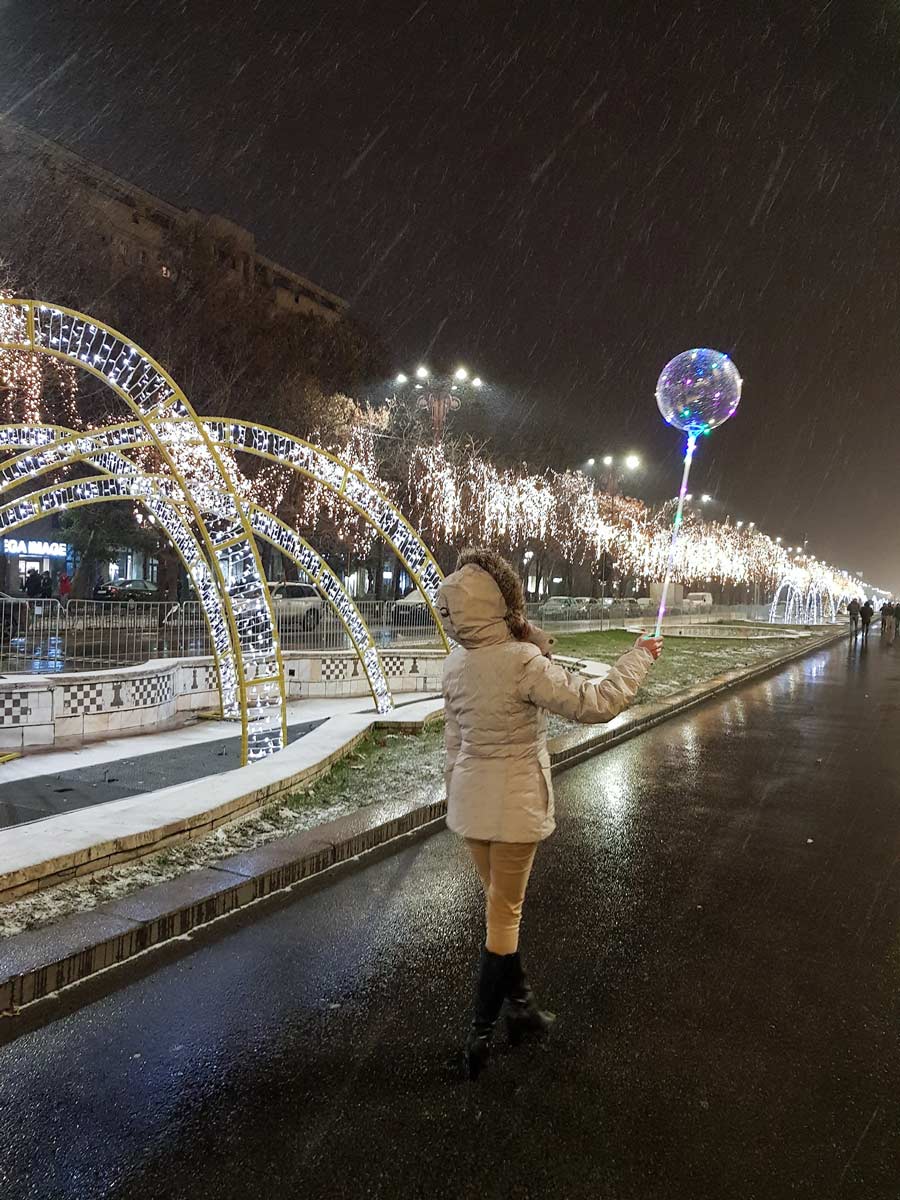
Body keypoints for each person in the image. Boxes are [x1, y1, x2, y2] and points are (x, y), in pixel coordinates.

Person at [437, 548, 662, 1080]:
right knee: (503, 920)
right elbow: (597, 702)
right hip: (513, 808)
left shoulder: (456, 664)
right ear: (506, 603)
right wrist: (639, 657)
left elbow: (453, 744)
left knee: (499, 910)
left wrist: (457, 794)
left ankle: (523, 1008)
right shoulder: (522, 664)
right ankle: (479, 1034)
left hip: (472, 807)